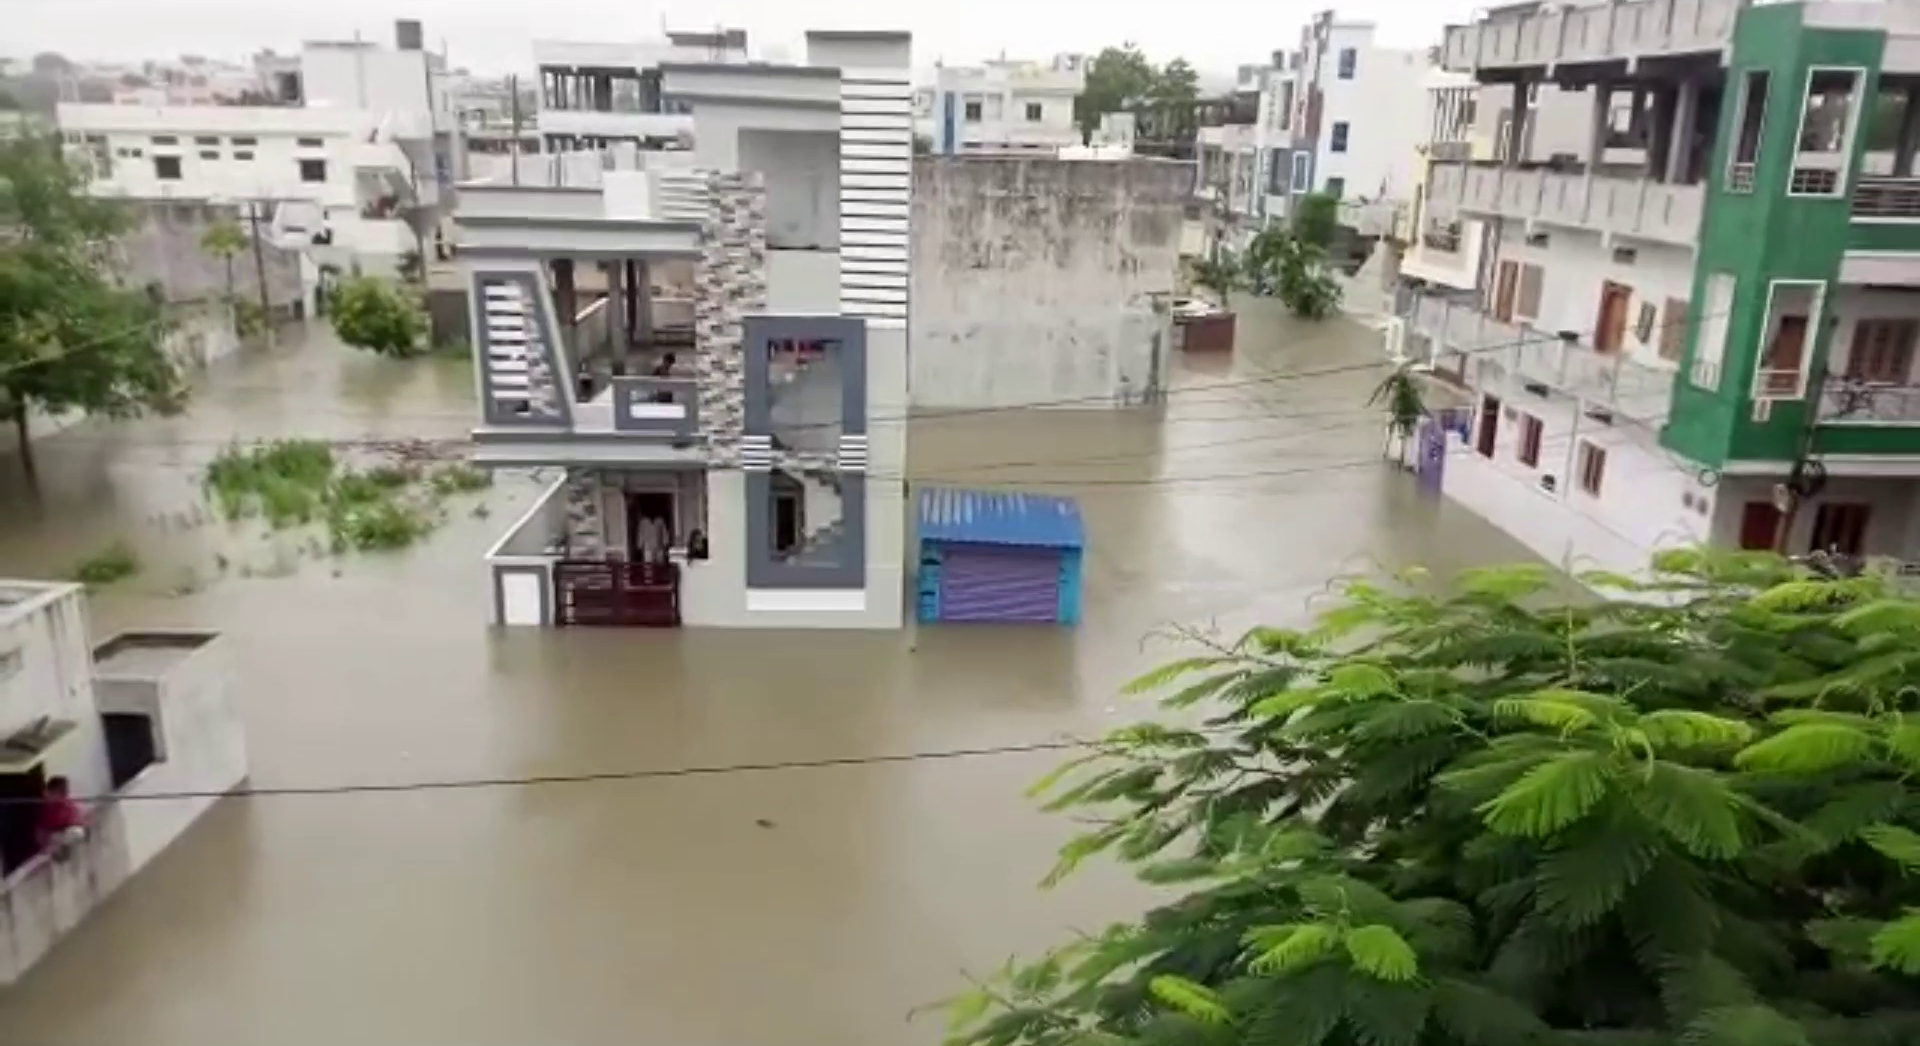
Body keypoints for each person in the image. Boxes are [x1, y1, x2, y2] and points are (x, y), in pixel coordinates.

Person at [35, 777, 86, 857]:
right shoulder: (48, 808)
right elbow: (43, 826)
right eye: (49, 792)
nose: (46, 795)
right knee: (44, 833)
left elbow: (75, 825)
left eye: (51, 793)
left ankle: (55, 849)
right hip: (53, 836)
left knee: (74, 832)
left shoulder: (68, 806)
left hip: (69, 833)